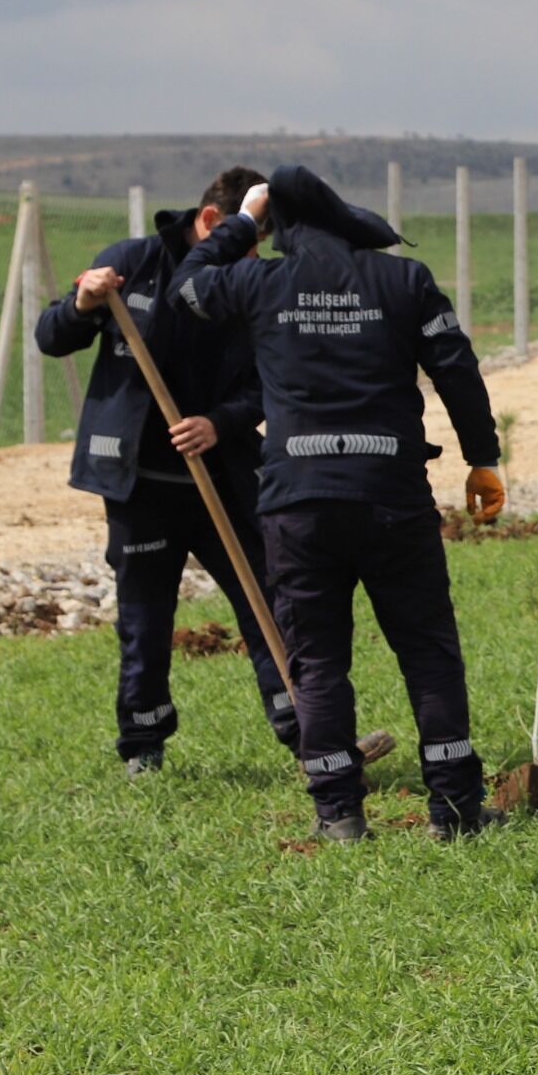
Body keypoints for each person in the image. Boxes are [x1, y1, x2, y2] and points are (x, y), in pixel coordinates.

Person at [175, 165, 505, 843]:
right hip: (391, 496)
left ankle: (339, 815)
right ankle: (456, 810)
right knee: (428, 652)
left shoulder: (260, 281)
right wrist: (482, 458)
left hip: (298, 503)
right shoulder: (403, 281)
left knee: (318, 661)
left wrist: (242, 220)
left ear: (278, 227)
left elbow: (187, 286)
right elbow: (458, 370)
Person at [34, 167, 351, 775]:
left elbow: (270, 381)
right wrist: (82, 301)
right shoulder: (131, 263)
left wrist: (219, 422)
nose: (254, 254)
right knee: (146, 620)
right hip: (141, 486)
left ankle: (304, 732)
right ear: (213, 222)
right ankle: (143, 745)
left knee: (269, 599)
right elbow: (52, 337)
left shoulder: (249, 282)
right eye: (252, 238)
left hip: (223, 480)